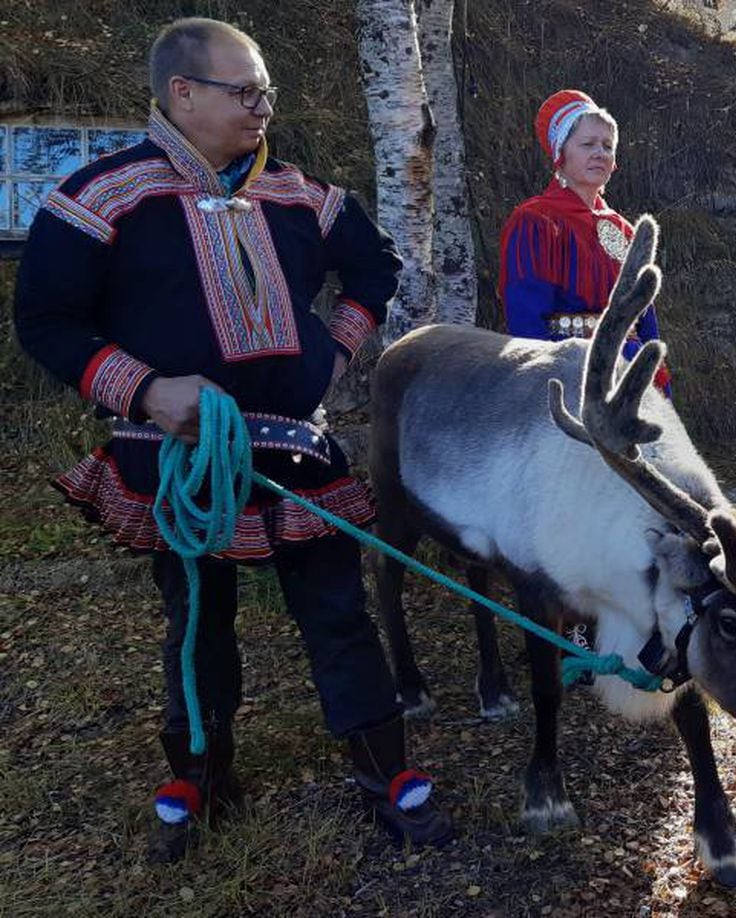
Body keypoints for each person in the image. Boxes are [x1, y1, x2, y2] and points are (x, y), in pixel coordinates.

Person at [12, 18, 451, 862]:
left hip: (296, 448)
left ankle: (384, 772)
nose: (263, 108)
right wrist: (142, 388)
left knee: (337, 612)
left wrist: (335, 349)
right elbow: (46, 321)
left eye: (266, 93)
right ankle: (202, 771)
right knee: (195, 618)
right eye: (244, 91)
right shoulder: (102, 197)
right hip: (178, 460)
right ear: (182, 94)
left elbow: (376, 266)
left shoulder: (301, 195)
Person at [497, 89, 669, 393]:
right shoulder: (537, 220)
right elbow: (525, 317)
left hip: (630, 374)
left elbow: (646, 317)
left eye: (607, 146)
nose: (599, 153)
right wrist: (547, 381)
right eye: (588, 144)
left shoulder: (626, 230)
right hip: (571, 370)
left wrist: (654, 375)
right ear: (561, 153)